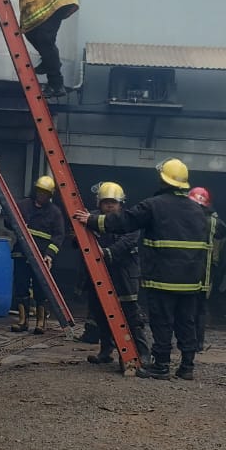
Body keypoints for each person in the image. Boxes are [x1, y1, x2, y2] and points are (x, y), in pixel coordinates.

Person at [75, 157, 209, 381]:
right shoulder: (197, 210)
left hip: (162, 278)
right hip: (190, 280)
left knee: (162, 322)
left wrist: (92, 220)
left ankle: (162, 366)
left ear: (163, 181)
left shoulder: (154, 205)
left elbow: (125, 222)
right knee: (186, 321)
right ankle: (187, 367)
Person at [78, 181, 152, 372]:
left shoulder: (130, 220)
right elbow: (78, 239)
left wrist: (106, 253)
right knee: (101, 314)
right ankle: (106, 351)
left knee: (131, 315)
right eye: (105, 202)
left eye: (113, 202)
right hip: (99, 274)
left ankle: (141, 352)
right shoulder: (91, 218)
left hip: (125, 275)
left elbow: (127, 242)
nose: (109, 205)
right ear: (99, 203)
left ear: (121, 203)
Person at [8, 174, 65, 334]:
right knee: (21, 286)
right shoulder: (23, 205)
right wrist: (14, 222)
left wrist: (50, 255)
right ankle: (23, 321)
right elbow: (8, 219)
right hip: (22, 253)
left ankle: (41, 323)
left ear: (50, 195)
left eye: (45, 193)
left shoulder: (55, 213)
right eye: (40, 191)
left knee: (41, 289)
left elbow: (59, 236)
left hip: (42, 257)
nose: (42, 195)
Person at [187, 186, 226, 353]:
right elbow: (223, 230)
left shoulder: (181, 218)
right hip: (203, 272)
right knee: (198, 309)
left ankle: (190, 342)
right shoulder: (212, 221)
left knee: (188, 309)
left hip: (185, 272)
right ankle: (196, 343)